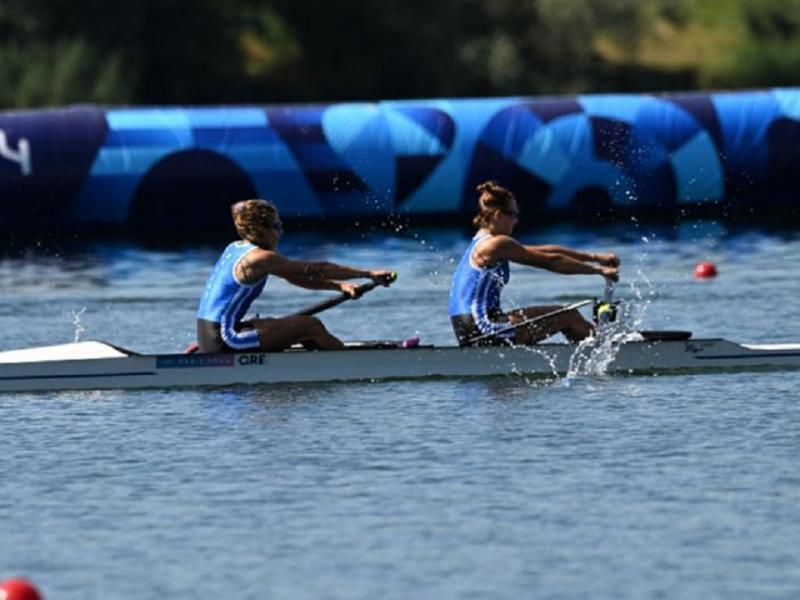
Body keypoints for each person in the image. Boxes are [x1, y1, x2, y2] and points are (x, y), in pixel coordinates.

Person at [197, 199, 394, 353]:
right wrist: (368, 273)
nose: (280, 232)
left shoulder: (235, 248)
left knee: (282, 324)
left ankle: (320, 359)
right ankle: (355, 367)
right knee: (311, 326)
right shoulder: (260, 258)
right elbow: (319, 268)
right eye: (276, 227)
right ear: (261, 230)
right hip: (226, 340)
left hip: (208, 336)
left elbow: (294, 276)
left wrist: (339, 287)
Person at [449, 181, 620, 346]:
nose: (516, 220)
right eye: (513, 214)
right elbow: (552, 262)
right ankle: (608, 352)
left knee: (567, 315)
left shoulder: (482, 244)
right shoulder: (496, 244)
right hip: (483, 328)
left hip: (470, 328)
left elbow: (547, 251)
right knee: (568, 316)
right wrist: (599, 271)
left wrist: (596, 257)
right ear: (498, 215)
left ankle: (597, 345)